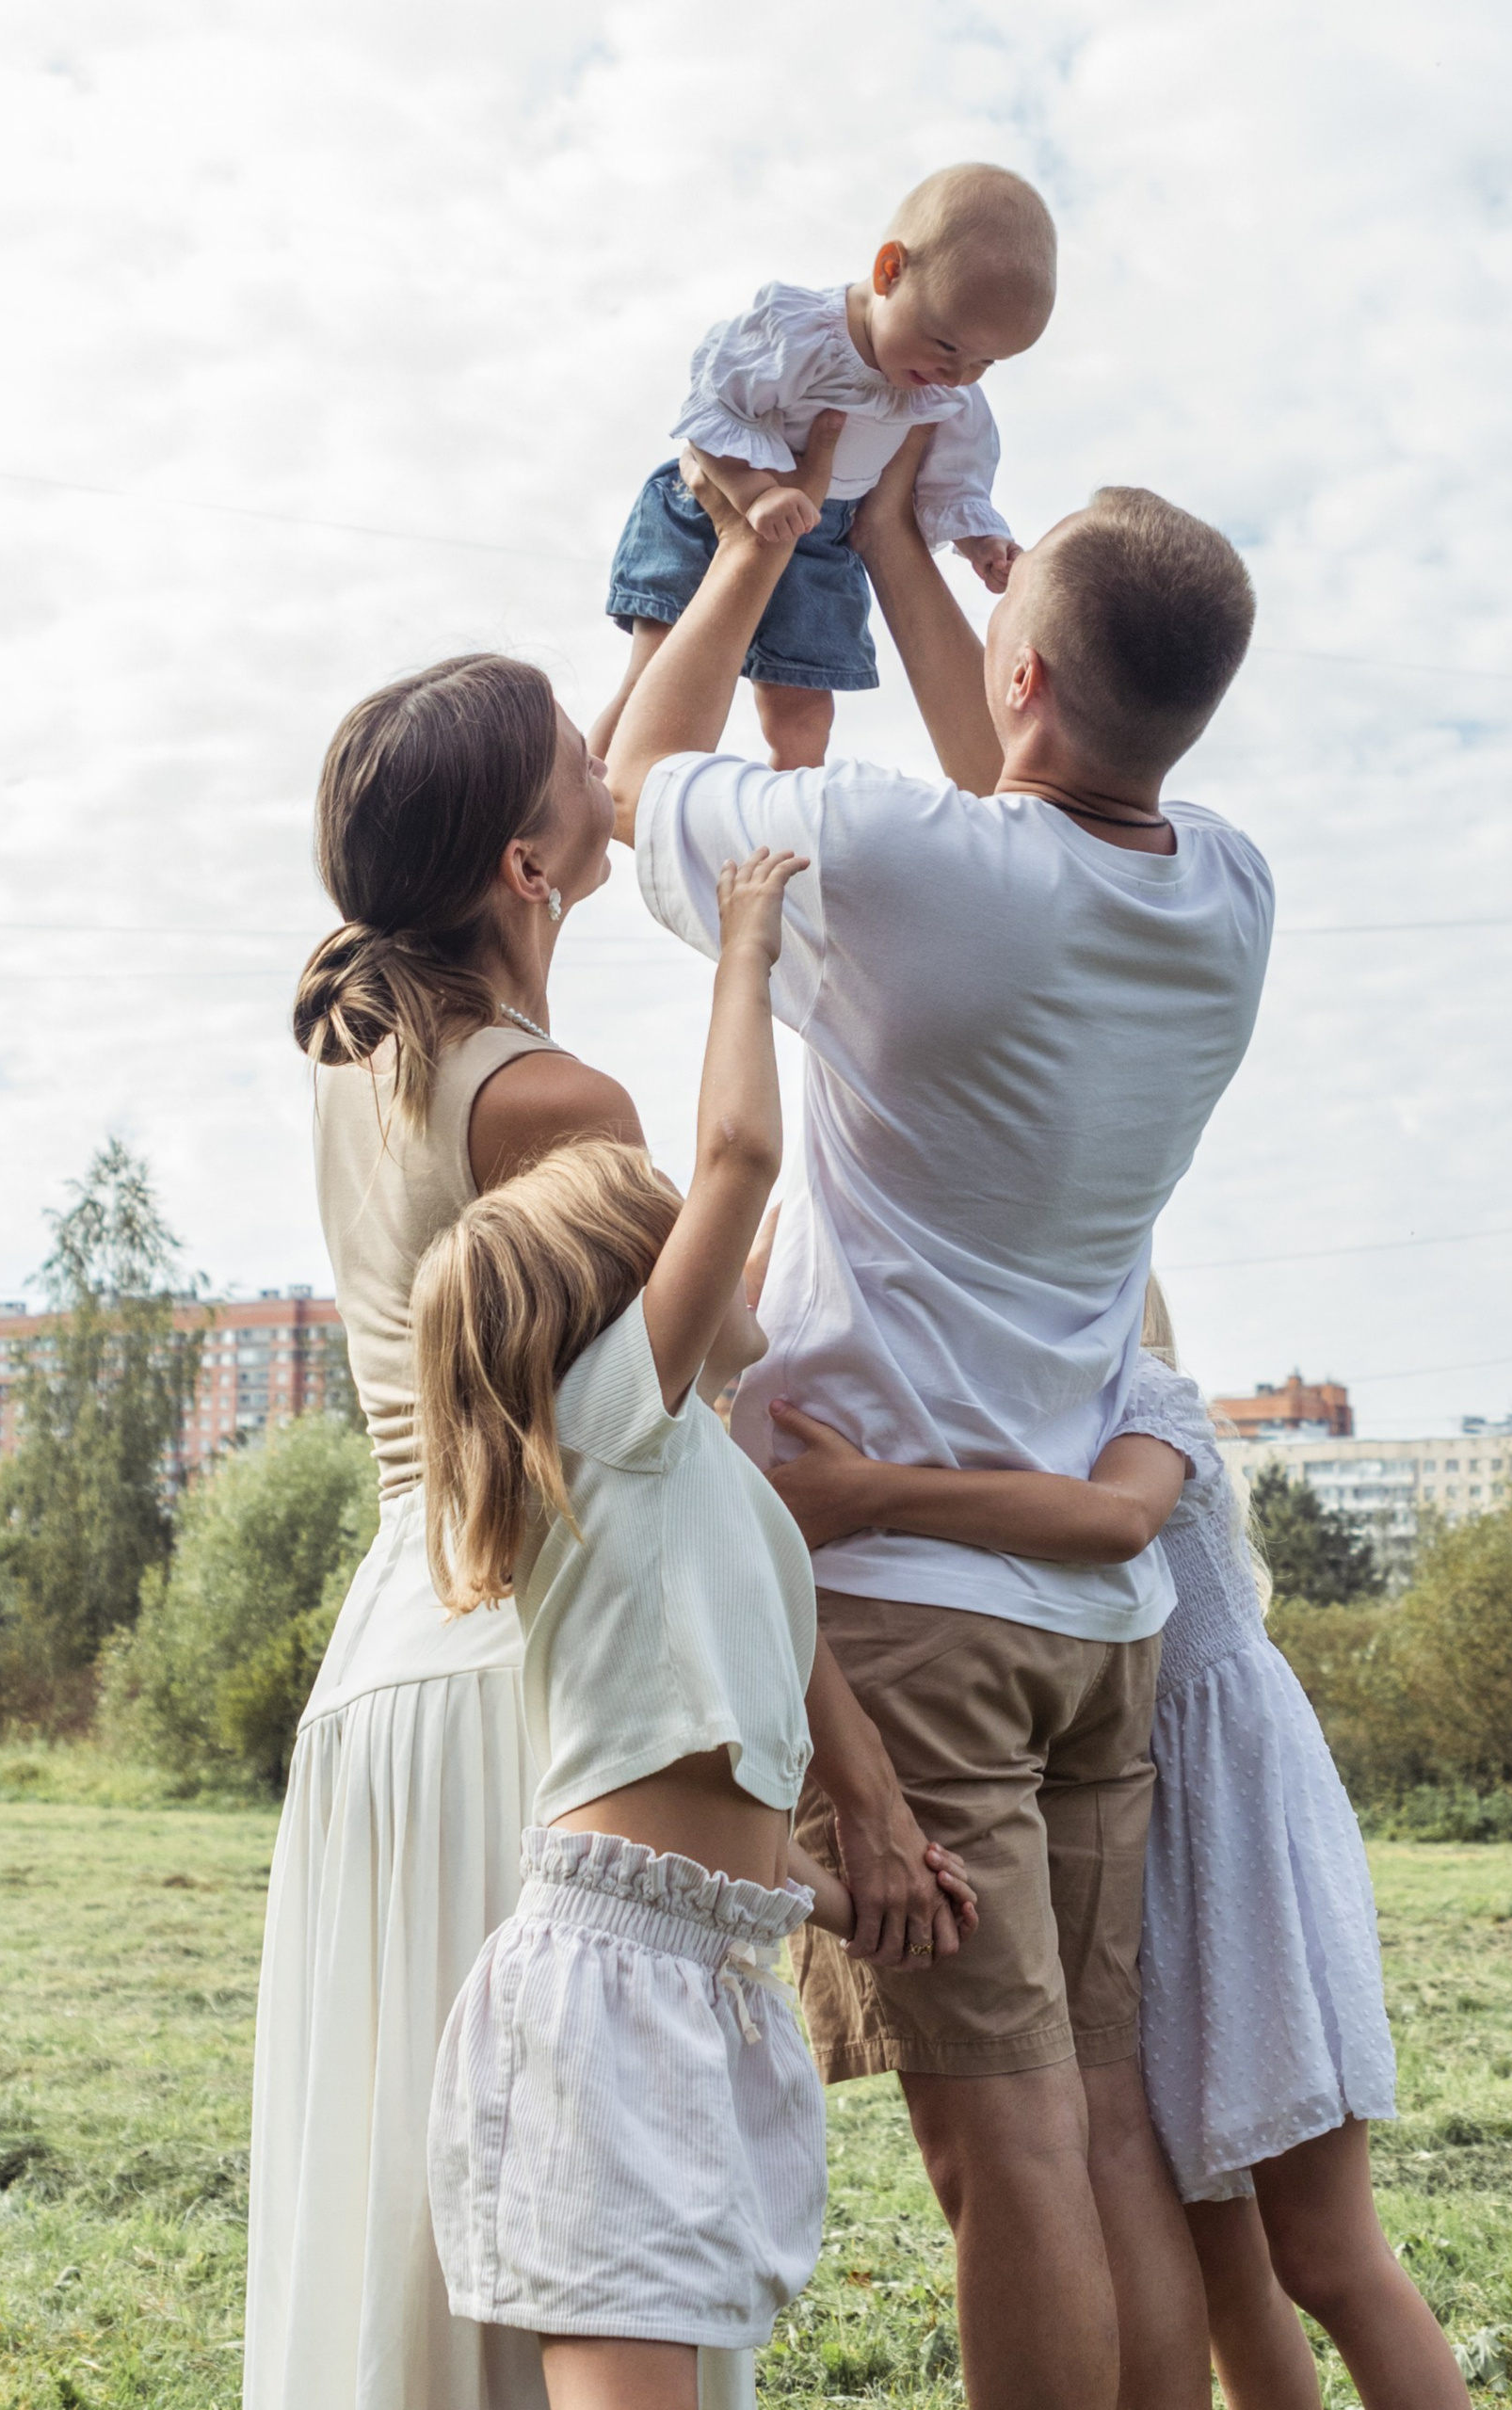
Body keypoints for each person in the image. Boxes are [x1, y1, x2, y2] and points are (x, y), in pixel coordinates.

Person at [603, 431, 1272, 2410]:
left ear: (1026, 681)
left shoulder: (906, 860)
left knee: (998, 2160)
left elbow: (636, 778)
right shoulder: (1228, 891)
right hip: (1096, 1633)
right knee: (1097, 2126)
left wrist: (773, 551)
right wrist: (921, 544)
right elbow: (1030, 785)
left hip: (910, 1614)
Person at [249, 585, 956, 2410]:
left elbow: (599, 743)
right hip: (536, 1679)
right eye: (581, 755)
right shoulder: (562, 1102)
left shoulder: (356, 1051)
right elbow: (714, 1404)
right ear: (523, 859)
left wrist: (742, 553)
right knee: (591, 2223)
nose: (611, 755)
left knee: (418, 2211)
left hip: (390, 1652)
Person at [409, 845, 976, 2410]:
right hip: (607, 2000)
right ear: (621, 1305)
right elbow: (736, 1148)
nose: (735, 1239)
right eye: (683, 1234)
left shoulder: (709, 1486)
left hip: (700, 1974)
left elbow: (707, 1775)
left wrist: (829, 1881)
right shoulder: (614, 1423)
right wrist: (744, 948)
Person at [762, 1281, 1474, 2410]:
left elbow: (1114, 1521)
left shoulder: (1146, 1397)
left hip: (1232, 1848)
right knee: (1214, 2248)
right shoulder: (1024, 1424)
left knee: (1324, 2250)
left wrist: (868, 1493)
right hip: (1142, 1852)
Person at [591, 163, 1054, 775]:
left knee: (804, 718)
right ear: (889, 271)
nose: (958, 375)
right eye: (947, 347)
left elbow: (950, 480)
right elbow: (709, 415)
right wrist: (755, 494)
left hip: (824, 543)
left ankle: (784, 840)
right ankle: (577, 818)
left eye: (985, 363)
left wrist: (981, 541)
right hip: (713, 511)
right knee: (654, 683)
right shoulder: (799, 332)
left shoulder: (947, 395)